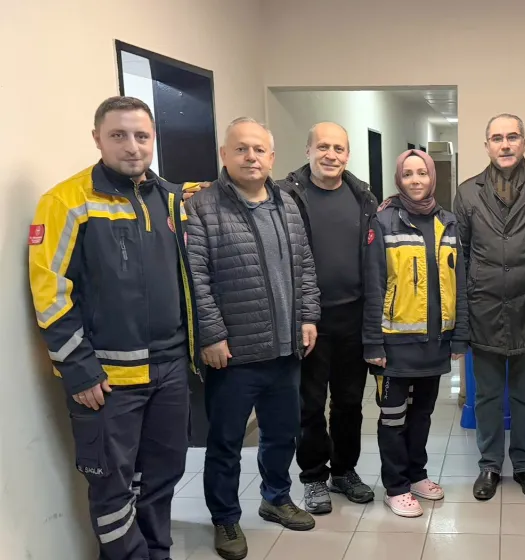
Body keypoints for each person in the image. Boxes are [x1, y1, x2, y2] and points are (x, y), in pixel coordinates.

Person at [28, 96, 199, 560]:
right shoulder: (66, 201)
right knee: (112, 486)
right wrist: (79, 369)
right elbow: (50, 292)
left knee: (161, 475)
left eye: (141, 136)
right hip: (106, 379)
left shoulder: (169, 198)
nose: (132, 146)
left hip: (169, 370)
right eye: (118, 135)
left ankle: (157, 552)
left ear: (154, 139)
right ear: (97, 139)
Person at [185, 117, 321, 560]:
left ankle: (275, 498)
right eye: (241, 148)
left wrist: (308, 316)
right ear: (224, 154)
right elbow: (196, 278)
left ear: (272, 157)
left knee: (282, 433)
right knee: (226, 443)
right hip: (233, 353)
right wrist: (212, 334)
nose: (251, 157)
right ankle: (225, 518)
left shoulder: (287, 203)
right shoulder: (202, 208)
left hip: (285, 348)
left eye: (259, 149)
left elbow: (305, 265)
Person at [453, 113, 525, 501]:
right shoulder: (467, 193)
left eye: (512, 136)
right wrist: (462, 318)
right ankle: (489, 465)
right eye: (497, 138)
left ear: (524, 143)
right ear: (487, 146)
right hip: (483, 310)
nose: (505, 144)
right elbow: (460, 260)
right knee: (486, 396)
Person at [362, 149, 469, 517]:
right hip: (394, 344)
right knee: (394, 419)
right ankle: (395, 486)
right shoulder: (383, 221)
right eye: (408, 174)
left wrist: (460, 334)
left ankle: (417, 475)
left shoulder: (448, 223)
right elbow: (374, 285)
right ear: (399, 179)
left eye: (422, 172)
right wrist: (372, 342)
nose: (416, 180)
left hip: (435, 343)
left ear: (432, 177)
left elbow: (460, 283)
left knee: (422, 415)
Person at [278, 122, 377, 512]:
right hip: (308, 321)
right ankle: (314, 477)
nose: (330, 155)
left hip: (353, 317)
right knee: (310, 405)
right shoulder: (287, 196)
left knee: (350, 403)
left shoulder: (362, 196)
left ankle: (344, 471)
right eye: (322, 147)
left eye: (338, 148)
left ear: (347, 155)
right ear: (308, 150)